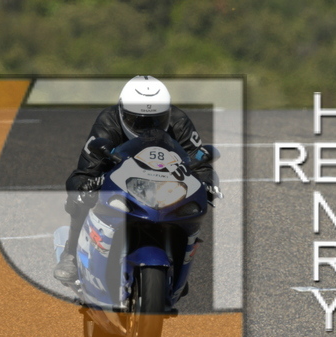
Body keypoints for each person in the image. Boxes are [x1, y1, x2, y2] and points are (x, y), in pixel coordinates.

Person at [54, 75, 220, 282]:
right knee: (78, 196)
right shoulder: (108, 121)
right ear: (122, 112)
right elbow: (86, 168)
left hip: (166, 185)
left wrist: (208, 184)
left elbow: (198, 159)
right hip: (120, 180)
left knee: (193, 208)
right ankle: (70, 254)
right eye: (137, 121)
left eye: (157, 121)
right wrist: (85, 186)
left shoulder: (179, 121)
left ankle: (178, 261)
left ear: (167, 113)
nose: (148, 127)